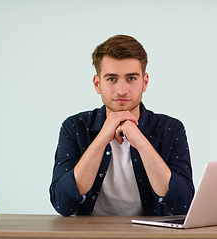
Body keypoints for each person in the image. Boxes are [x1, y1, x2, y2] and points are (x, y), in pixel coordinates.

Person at [49, 35, 194, 216]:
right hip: (90, 235)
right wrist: (102, 138)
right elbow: (63, 204)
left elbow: (184, 206)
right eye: (111, 79)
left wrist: (140, 141)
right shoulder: (74, 127)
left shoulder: (171, 129)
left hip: (150, 236)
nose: (122, 90)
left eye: (131, 78)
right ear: (97, 83)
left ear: (145, 82)